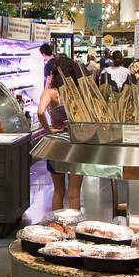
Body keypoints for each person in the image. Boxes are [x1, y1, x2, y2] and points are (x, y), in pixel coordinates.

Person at [37, 56, 83, 211]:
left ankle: (57, 228)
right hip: (76, 144)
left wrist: (48, 129)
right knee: (75, 192)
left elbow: (41, 112)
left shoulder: (50, 93)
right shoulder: (79, 92)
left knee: (58, 190)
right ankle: (74, 228)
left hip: (56, 145)